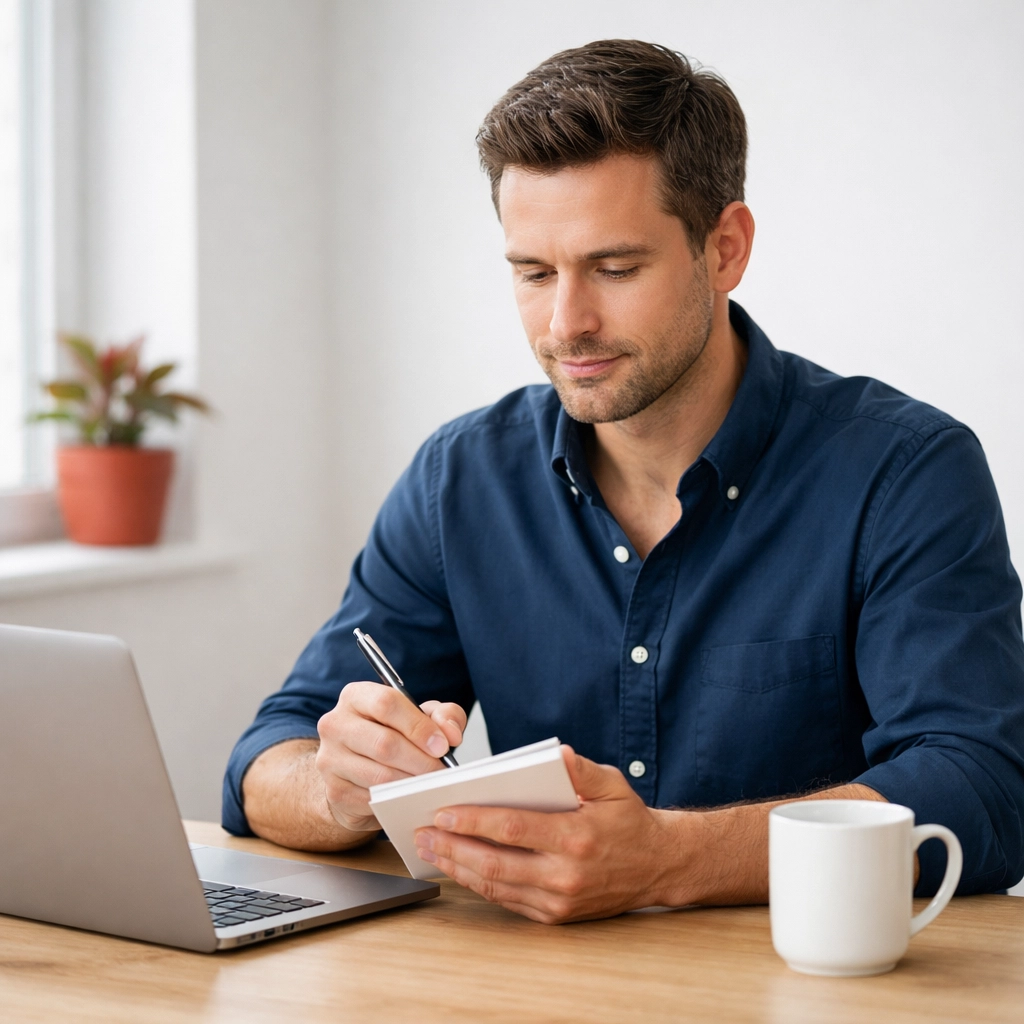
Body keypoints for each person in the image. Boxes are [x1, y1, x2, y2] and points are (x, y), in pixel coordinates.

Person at [224, 40, 1024, 923]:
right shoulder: (462, 480)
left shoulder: (904, 472)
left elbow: (981, 784)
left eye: (614, 268)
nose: (567, 323)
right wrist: (340, 791)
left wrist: (667, 860)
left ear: (724, 249)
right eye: (533, 273)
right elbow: (269, 755)